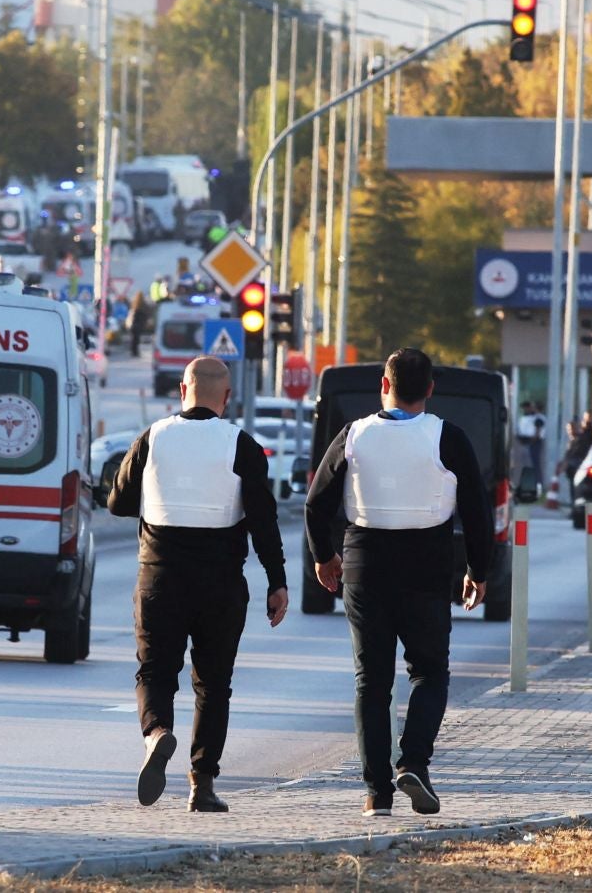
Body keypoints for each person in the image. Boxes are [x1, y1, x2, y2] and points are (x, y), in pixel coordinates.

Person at [304, 348, 493, 819]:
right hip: (428, 564)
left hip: (365, 562)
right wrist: (478, 571)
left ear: (383, 386)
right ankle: (414, 762)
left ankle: (376, 794)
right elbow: (476, 511)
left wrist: (324, 557)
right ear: (430, 389)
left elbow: (315, 504)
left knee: (372, 682)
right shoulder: (447, 437)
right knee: (429, 672)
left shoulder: (353, 435)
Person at [107, 356, 289, 812]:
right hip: (221, 585)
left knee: (154, 671)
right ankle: (202, 785)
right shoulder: (242, 446)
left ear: (181, 390)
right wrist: (277, 581)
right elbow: (264, 521)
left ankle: (157, 734)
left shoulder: (152, 438)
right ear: (227, 397)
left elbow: (117, 502)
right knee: (213, 684)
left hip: (159, 578)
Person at [559, 412, 592, 499]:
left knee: (589, 497)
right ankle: (576, 507)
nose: (570, 431)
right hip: (574, 470)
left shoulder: (584, 438)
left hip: (582, 469)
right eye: (569, 429)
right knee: (576, 492)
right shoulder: (574, 440)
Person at [127, 290, 149, 357]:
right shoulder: (143, 305)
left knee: (133, 339)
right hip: (139, 325)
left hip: (133, 325)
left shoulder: (134, 304)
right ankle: (135, 352)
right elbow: (145, 315)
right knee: (137, 339)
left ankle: (133, 351)